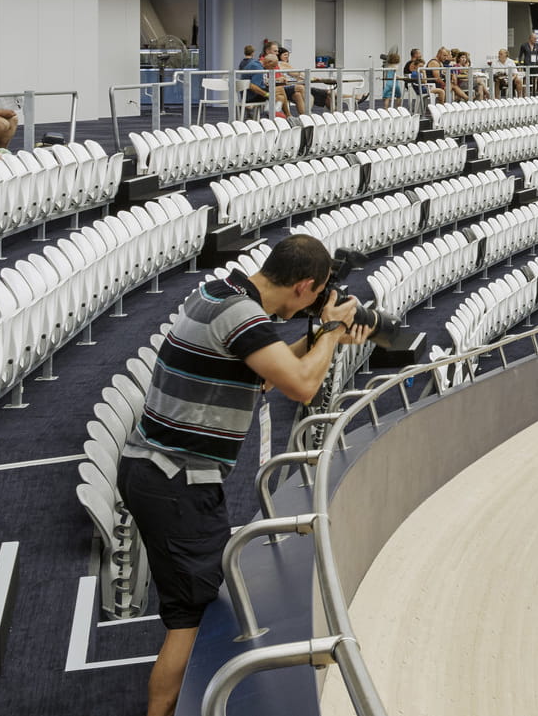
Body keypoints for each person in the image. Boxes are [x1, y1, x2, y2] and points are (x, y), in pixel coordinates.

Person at [118, 234, 375, 716]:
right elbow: (300, 385)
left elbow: (267, 369)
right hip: (177, 482)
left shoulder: (218, 295)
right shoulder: (242, 316)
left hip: (159, 474)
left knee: (191, 610)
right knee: (190, 619)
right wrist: (330, 332)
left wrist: (324, 335)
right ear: (304, 286)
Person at [237, 44, 273, 110]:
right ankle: (274, 113)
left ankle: (273, 112)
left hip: (244, 91)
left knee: (278, 92)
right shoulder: (256, 66)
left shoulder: (243, 63)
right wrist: (267, 94)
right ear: (253, 53)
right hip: (251, 94)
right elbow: (254, 86)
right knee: (277, 92)